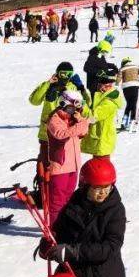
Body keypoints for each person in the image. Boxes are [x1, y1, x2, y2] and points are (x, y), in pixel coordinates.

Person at [43, 158, 128, 277]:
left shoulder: (115, 210)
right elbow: (59, 233)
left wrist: (74, 252)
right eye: (97, 188)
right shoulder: (73, 205)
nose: (102, 192)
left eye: (107, 187)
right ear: (85, 185)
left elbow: (111, 246)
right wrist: (49, 246)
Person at [29, 62, 89, 184]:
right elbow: (34, 101)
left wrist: (81, 89)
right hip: (47, 132)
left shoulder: (72, 88)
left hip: (65, 133)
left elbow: (86, 107)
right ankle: (42, 186)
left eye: (69, 74)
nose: (65, 77)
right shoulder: (49, 85)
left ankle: (58, 186)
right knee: (45, 161)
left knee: (60, 164)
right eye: (62, 73)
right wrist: (48, 84)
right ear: (57, 73)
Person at [45, 90, 90, 225]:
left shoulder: (72, 120)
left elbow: (83, 131)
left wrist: (80, 120)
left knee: (69, 199)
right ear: (64, 103)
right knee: (57, 201)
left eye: (77, 107)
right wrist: (80, 124)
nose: (74, 110)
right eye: (72, 107)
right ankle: (55, 227)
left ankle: (65, 226)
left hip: (74, 166)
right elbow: (61, 134)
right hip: (60, 167)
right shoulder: (55, 119)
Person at [81, 68, 124, 160]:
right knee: (97, 161)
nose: (98, 86)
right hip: (99, 138)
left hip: (103, 139)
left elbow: (93, 117)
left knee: (101, 164)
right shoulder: (103, 98)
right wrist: (82, 92)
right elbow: (91, 107)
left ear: (108, 86)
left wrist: (81, 105)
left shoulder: (109, 102)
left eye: (100, 84)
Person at [116, 57, 139, 131]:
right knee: (133, 105)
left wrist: (116, 86)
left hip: (126, 88)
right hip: (135, 87)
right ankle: (131, 122)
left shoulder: (122, 69)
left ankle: (124, 123)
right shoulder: (136, 66)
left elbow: (118, 79)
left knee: (129, 104)